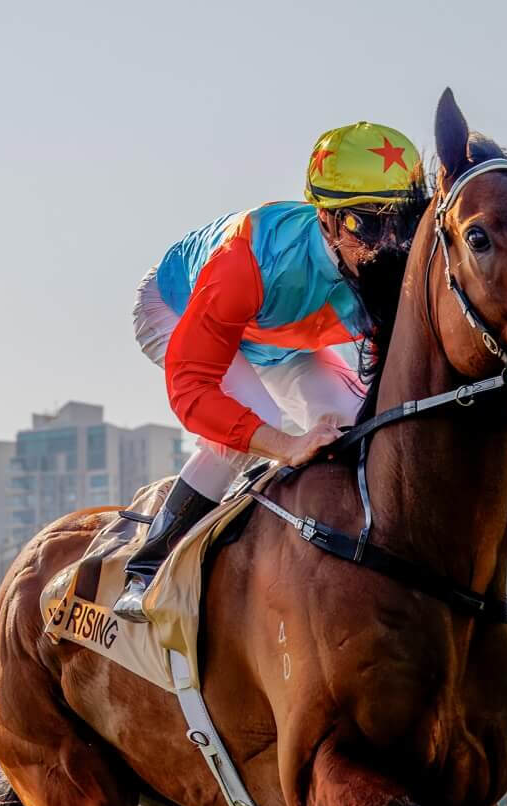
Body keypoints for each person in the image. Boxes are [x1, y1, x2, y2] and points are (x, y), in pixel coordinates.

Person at [111, 121, 427, 622]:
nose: (387, 243)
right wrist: (285, 446)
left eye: (403, 221)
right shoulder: (248, 260)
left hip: (285, 334)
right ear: (325, 220)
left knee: (353, 420)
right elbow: (193, 391)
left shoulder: (392, 255)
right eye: (366, 223)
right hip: (176, 305)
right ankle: (147, 568)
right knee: (253, 421)